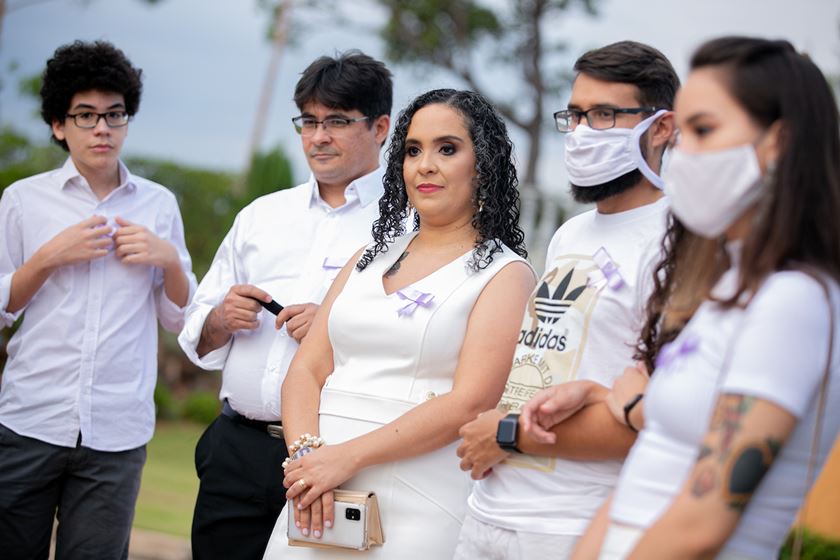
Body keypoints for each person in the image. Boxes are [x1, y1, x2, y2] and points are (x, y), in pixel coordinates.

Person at [570, 36, 840, 559]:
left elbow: (704, 519)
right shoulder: (727, 288)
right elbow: (650, 468)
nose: (682, 149)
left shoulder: (795, 300)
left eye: (704, 130)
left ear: (777, 143)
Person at [262, 88, 536, 558]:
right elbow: (306, 369)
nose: (425, 165)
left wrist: (344, 459)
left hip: (419, 501)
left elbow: (471, 400)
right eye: (413, 150)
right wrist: (307, 459)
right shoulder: (364, 261)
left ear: (483, 164)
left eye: (447, 149)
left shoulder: (505, 275)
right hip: (316, 493)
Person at [453, 41, 679, 558]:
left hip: (574, 524)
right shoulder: (570, 234)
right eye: (574, 114)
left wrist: (508, 435)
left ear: (661, 128)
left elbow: (662, 416)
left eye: (603, 115)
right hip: (489, 508)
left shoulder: (679, 242)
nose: (580, 133)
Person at [177, 51, 393, 559]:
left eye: (337, 121)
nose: (318, 137)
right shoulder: (260, 216)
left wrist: (335, 327)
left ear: (381, 126)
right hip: (236, 448)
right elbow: (197, 335)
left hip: (337, 456)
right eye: (309, 121)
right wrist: (220, 318)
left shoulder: (406, 227)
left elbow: (415, 342)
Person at [0, 40, 195, 559]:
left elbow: (179, 316)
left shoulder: (158, 204)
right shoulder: (22, 200)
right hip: (30, 419)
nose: (102, 128)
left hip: (117, 431)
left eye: (114, 114)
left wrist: (169, 261)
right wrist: (46, 258)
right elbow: (3, 306)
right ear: (59, 125)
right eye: (85, 115)